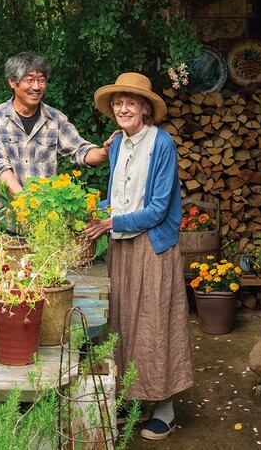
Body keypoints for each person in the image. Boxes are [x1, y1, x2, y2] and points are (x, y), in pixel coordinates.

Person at [85, 72, 194, 441]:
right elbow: (117, 196)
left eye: (131, 102)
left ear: (146, 108)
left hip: (152, 245)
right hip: (121, 244)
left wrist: (108, 220)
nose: (123, 108)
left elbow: (159, 209)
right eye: (117, 103)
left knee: (153, 324)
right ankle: (131, 397)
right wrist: (84, 209)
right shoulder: (117, 144)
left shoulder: (161, 144)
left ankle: (164, 409)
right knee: (123, 321)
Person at [0, 51, 113, 209]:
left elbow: (80, 150)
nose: (36, 87)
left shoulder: (55, 119)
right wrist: (24, 202)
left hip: (45, 217)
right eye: (29, 80)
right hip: (7, 215)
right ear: (12, 82)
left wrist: (105, 152)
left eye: (41, 81)